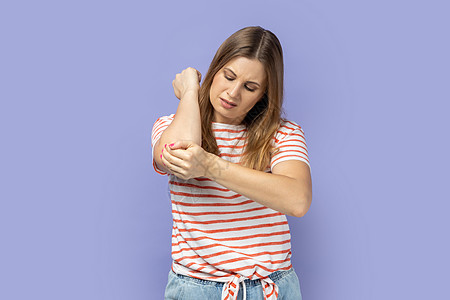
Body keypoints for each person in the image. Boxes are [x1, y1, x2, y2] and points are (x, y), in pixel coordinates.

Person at [151, 26, 312, 300]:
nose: (233, 93)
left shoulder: (283, 134)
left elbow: (297, 200)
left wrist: (209, 166)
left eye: (250, 87)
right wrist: (191, 91)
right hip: (197, 289)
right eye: (228, 76)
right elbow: (179, 154)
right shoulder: (169, 126)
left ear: (264, 94)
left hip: (272, 288)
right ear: (214, 70)